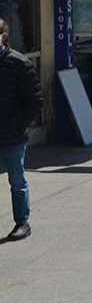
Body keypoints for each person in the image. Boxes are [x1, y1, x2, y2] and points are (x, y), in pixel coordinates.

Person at [0, 17, 42, 242]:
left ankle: (22, 222)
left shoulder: (19, 63)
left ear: (3, 37)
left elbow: (35, 101)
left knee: (17, 180)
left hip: (13, 135)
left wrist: (19, 125)